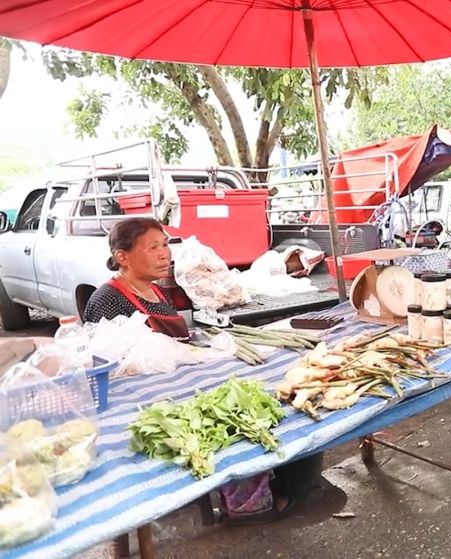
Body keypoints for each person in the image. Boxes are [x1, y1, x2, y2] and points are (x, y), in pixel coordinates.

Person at [83, 218, 297, 525]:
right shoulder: (107, 299)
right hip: (147, 401)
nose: (164, 254)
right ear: (122, 257)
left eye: (165, 245)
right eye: (153, 247)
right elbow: (109, 367)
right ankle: (245, 502)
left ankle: (269, 483)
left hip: (181, 383)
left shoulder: (156, 291)